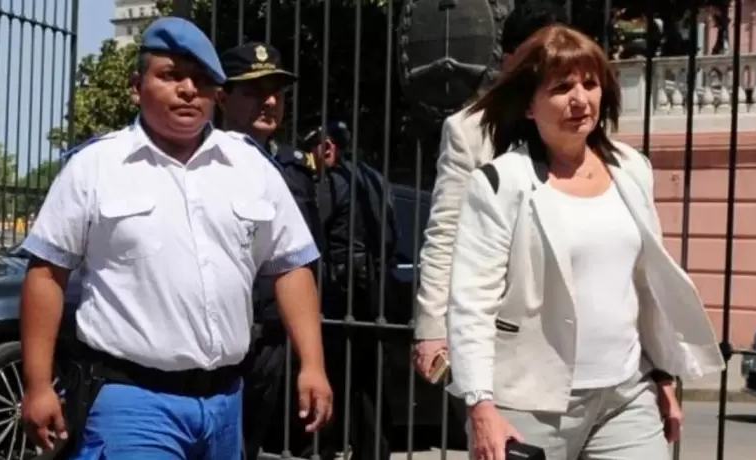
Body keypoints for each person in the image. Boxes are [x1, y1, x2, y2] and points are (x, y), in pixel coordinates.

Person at [18, 17, 332, 460]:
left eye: (202, 80)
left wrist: (313, 365)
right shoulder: (95, 167)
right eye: (171, 76)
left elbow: (290, 267)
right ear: (136, 86)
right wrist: (37, 384)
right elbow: (46, 274)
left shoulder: (250, 167)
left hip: (225, 404)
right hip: (132, 402)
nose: (188, 89)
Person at [446, 25, 725, 460]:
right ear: (529, 107)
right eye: (561, 87)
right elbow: (471, 302)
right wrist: (481, 405)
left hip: (625, 396)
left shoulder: (631, 167)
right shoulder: (500, 183)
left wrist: (663, 376)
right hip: (529, 403)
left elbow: (645, 284)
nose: (580, 99)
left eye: (590, 84)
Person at [413, 0, 570, 382]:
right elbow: (445, 231)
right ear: (509, 59)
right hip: (503, 328)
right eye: (535, 58)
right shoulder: (470, 131)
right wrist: (432, 326)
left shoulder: (584, 126)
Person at [215, 41, 322, 460]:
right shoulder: (205, 162)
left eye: (277, 91)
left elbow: (304, 255)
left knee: (250, 444)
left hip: (273, 337)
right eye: (256, 91)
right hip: (222, 335)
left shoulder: (293, 165)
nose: (271, 101)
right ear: (222, 96)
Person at [301, 122, 394, 460]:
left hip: (342, 289)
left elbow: (311, 229)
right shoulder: (373, 178)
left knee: (336, 371)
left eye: (314, 149)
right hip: (375, 287)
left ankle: (325, 446)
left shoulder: (335, 181)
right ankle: (373, 449)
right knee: (368, 377)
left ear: (328, 148)